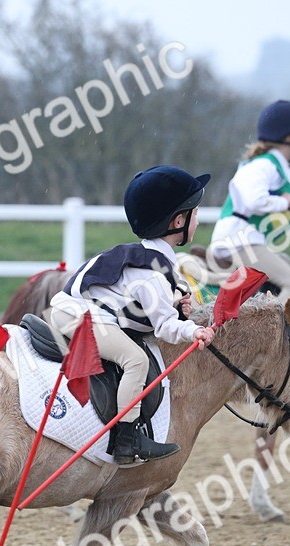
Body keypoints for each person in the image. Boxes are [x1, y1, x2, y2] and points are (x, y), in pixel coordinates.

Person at [50, 166, 216, 465]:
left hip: (79, 309)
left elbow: (140, 304)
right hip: (80, 316)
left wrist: (176, 302)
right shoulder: (151, 272)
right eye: (196, 212)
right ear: (179, 221)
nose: (199, 218)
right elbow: (164, 328)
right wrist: (193, 331)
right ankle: (126, 440)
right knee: (135, 360)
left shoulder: (150, 258)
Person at [208, 100, 290, 305]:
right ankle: (272, 334)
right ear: (288, 138)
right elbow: (255, 201)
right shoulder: (262, 166)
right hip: (238, 242)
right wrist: (283, 201)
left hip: (248, 241)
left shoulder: (279, 171)